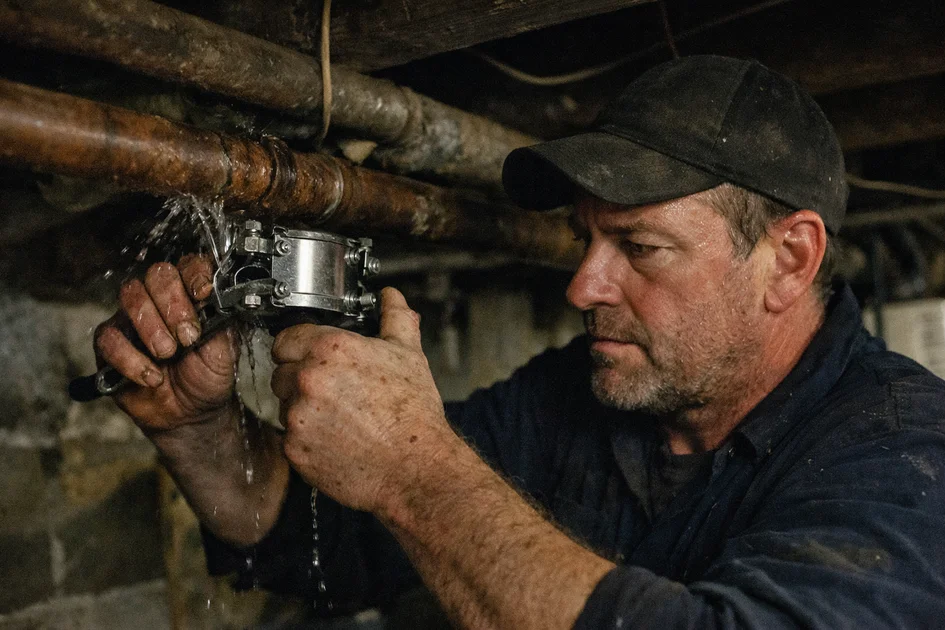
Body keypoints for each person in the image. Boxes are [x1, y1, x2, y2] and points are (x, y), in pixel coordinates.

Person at [94, 56, 945, 628]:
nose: (582, 287)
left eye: (639, 248)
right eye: (586, 240)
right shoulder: (571, 396)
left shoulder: (906, 456)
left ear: (788, 260)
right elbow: (325, 543)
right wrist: (199, 432)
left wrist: (417, 469)